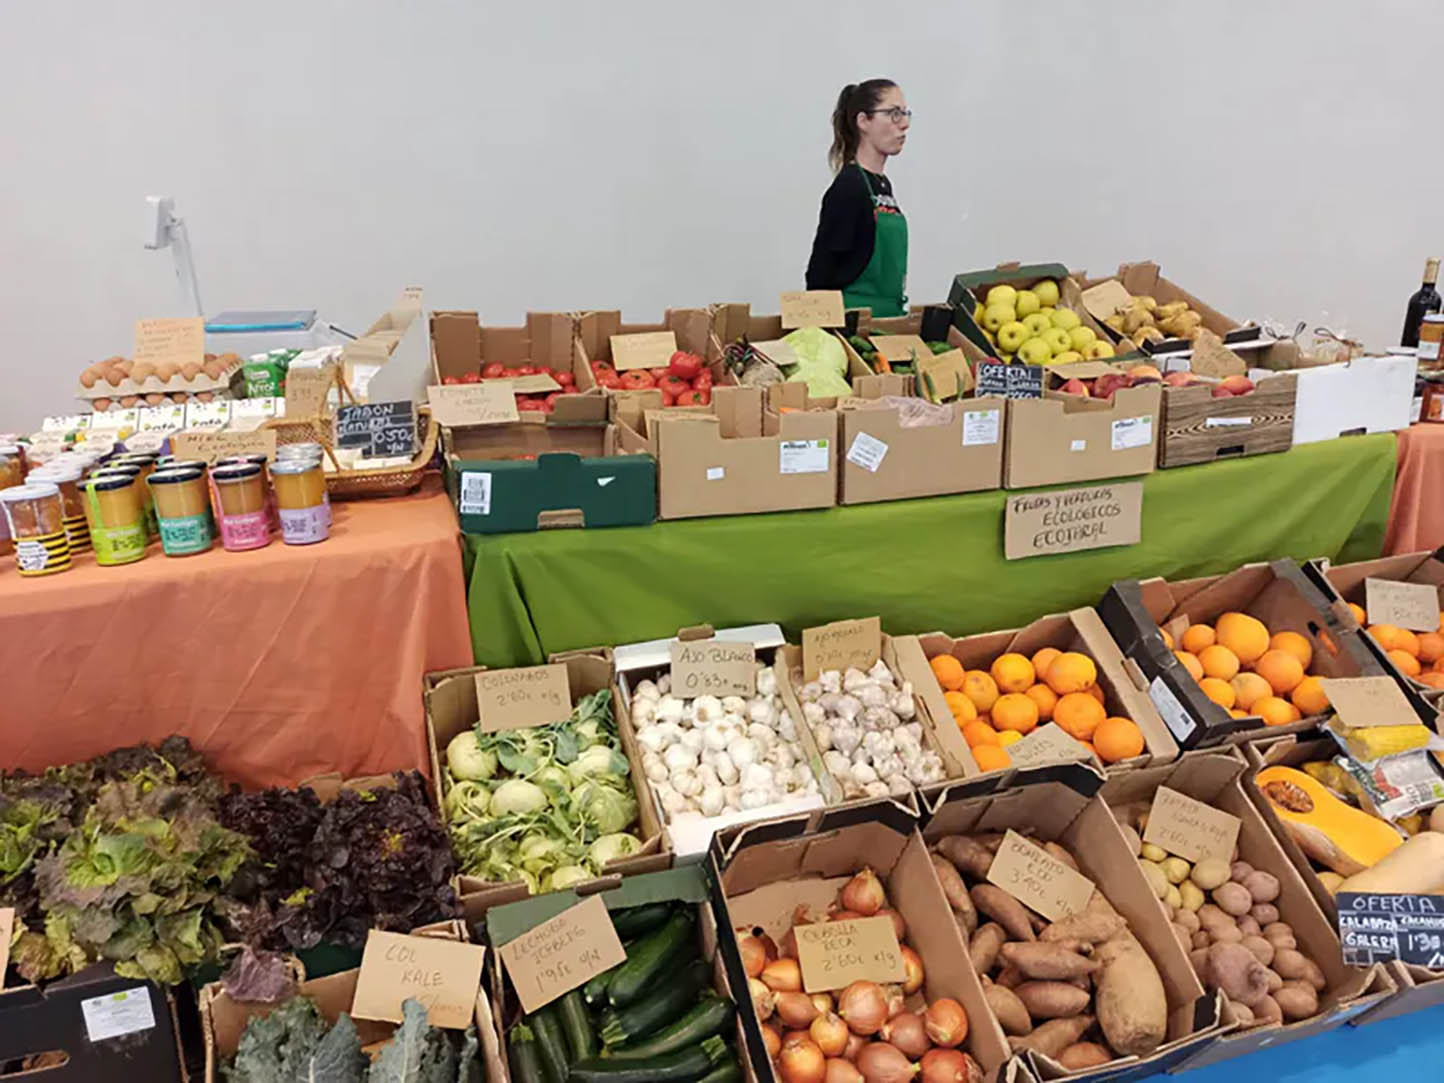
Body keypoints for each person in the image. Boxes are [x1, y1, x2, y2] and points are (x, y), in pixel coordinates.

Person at [805, 79, 911, 318]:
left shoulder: (882, 186)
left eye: (905, 114)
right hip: (852, 324)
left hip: (888, 320)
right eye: (894, 114)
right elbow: (820, 274)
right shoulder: (849, 187)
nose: (904, 124)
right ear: (863, 121)